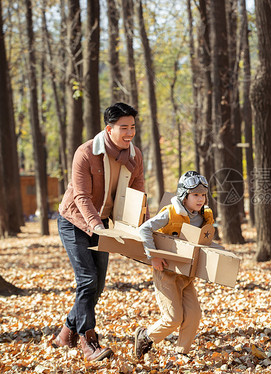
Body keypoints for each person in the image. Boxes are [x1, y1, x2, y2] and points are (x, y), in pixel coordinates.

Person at [53, 103, 145, 361]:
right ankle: (88, 341)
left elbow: (137, 196)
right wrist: (97, 228)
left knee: (98, 285)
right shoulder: (86, 153)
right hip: (74, 221)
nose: (130, 133)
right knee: (87, 280)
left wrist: (143, 228)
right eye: (124, 128)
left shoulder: (134, 156)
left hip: (102, 224)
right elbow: (81, 197)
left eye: (133, 128)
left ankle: (65, 333)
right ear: (109, 129)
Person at [133, 171, 214, 361]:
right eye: (195, 194)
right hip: (166, 273)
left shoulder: (205, 216)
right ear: (184, 195)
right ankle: (145, 336)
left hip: (186, 275)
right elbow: (144, 229)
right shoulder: (170, 213)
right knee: (173, 318)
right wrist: (153, 256)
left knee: (194, 315)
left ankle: (181, 353)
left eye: (203, 195)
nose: (200, 199)